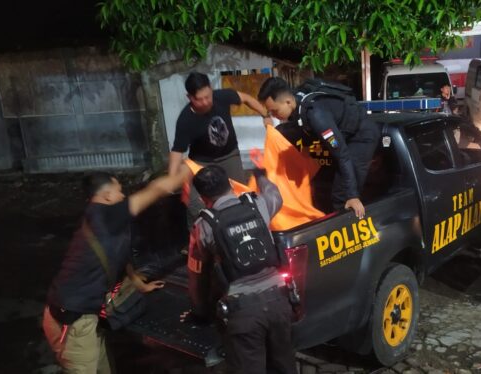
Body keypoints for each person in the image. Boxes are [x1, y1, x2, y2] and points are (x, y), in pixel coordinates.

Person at [43, 168, 189, 373]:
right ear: (107, 195)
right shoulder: (107, 215)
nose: (123, 196)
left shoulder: (99, 218)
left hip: (87, 316)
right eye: (119, 191)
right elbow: (156, 189)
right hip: (73, 319)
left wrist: (138, 283)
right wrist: (189, 168)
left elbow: (118, 255)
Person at [187, 163, 295, 374]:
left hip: (243, 314)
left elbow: (197, 275)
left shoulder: (203, 227)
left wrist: (200, 312)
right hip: (279, 304)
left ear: (202, 198)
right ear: (231, 185)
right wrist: (261, 175)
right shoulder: (257, 205)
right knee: (285, 366)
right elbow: (275, 195)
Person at [257, 77, 380, 218]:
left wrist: (352, 195)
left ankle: (351, 229)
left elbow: (342, 154)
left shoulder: (316, 116)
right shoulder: (297, 102)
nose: (274, 116)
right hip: (343, 132)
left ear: (288, 102)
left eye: (275, 111)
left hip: (361, 137)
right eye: (270, 113)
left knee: (341, 195)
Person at [169, 72, 273, 227]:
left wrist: (265, 115)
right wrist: (171, 178)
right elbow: (177, 151)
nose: (205, 102)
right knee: (195, 203)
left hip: (229, 155)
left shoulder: (222, 96)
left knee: (240, 193)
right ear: (189, 97)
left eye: (207, 96)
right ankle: (198, 239)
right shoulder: (185, 120)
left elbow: (246, 98)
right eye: (199, 99)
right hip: (200, 162)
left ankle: (244, 226)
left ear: (211, 90)